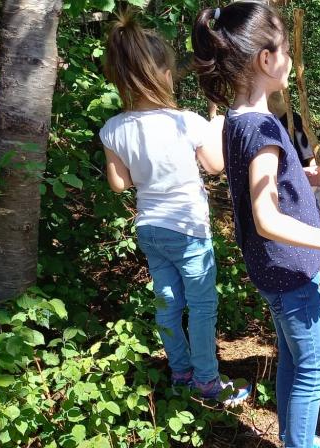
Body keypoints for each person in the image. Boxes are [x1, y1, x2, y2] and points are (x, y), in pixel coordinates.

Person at [191, 3, 320, 448]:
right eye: (285, 50)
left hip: (275, 269)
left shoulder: (240, 120)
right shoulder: (262, 127)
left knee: (292, 359)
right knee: (315, 369)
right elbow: (266, 217)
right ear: (266, 59)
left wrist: (302, 176)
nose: (289, 60)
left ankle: (293, 446)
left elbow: (258, 183)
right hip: (286, 271)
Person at [98, 11, 250, 406]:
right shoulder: (186, 122)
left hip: (150, 230)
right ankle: (207, 381)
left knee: (167, 303)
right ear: (163, 75)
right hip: (188, 230)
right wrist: (217, 128)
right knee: (201, 307)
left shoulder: (113, 129)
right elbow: (215, 166)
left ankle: (180, 373)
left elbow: (119, 184)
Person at [266, 92, 320, 318]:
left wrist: (311, 187)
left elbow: (308, 156)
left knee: (306, 239)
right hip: (282, 189)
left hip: (301, 187)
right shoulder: (264, 124)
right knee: (295, 241)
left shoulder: (290, 120)